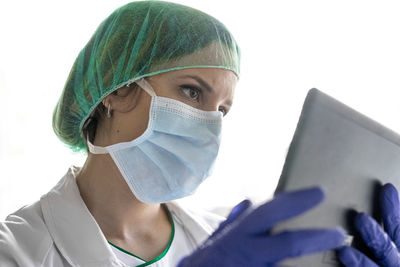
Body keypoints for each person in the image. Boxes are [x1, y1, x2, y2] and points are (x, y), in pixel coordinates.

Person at [0, 1, 398, 266]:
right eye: (192, 91)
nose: (211, 125)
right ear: (116, 89)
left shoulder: (230, 243)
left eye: (223, 110)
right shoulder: (17, 250)